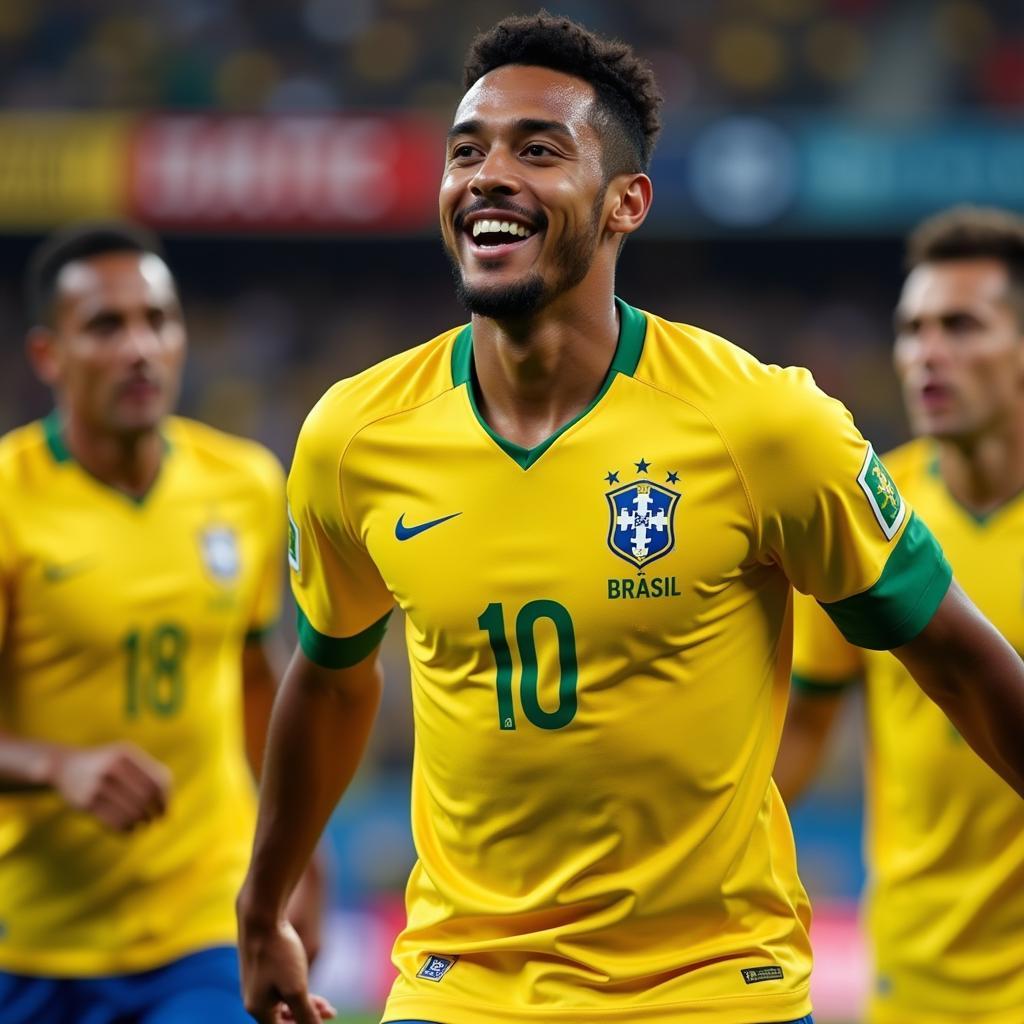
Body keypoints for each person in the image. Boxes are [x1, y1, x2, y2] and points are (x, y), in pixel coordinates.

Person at [237, 14, 1024, 1024]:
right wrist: (264, 908)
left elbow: (959, 658)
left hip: (709, 988)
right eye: (466, 149)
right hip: (459, 984)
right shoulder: (352, 436)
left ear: (625, 203)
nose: (486, 174)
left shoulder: (762, 423)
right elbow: (332, 676)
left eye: (537, 149)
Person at [0, 222, 322, 1024]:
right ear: (49, 356)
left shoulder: (243, 485)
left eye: (159, 320)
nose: (140, 347)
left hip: (200, 926)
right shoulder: (10, 502)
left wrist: (296, 860)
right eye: (106, 326)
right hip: (31, 937)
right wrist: (57, 768)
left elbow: (257, 682)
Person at [775, 207, 1024, 1024]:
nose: (927, 352)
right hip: (915, 984)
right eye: (912, 328)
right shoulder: (868, 516)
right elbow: (803, 728)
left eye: (961, 325)